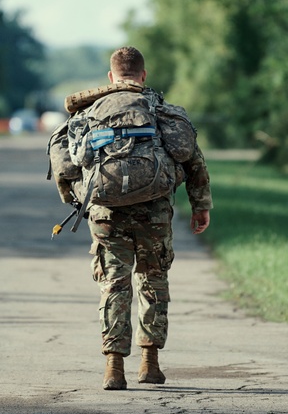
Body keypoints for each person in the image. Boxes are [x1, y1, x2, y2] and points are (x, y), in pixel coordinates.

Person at [82, 46, 212, 390]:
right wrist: (201, 205)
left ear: (111, 77)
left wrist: (75, 199)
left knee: (114, 283)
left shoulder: (91, 111)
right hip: (154, 209)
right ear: (143, 74)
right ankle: (150, 364)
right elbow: (192, 160)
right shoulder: (161, 109)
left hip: (106, 212)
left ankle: (113, 368)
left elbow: (66, 165)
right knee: (153, 281)